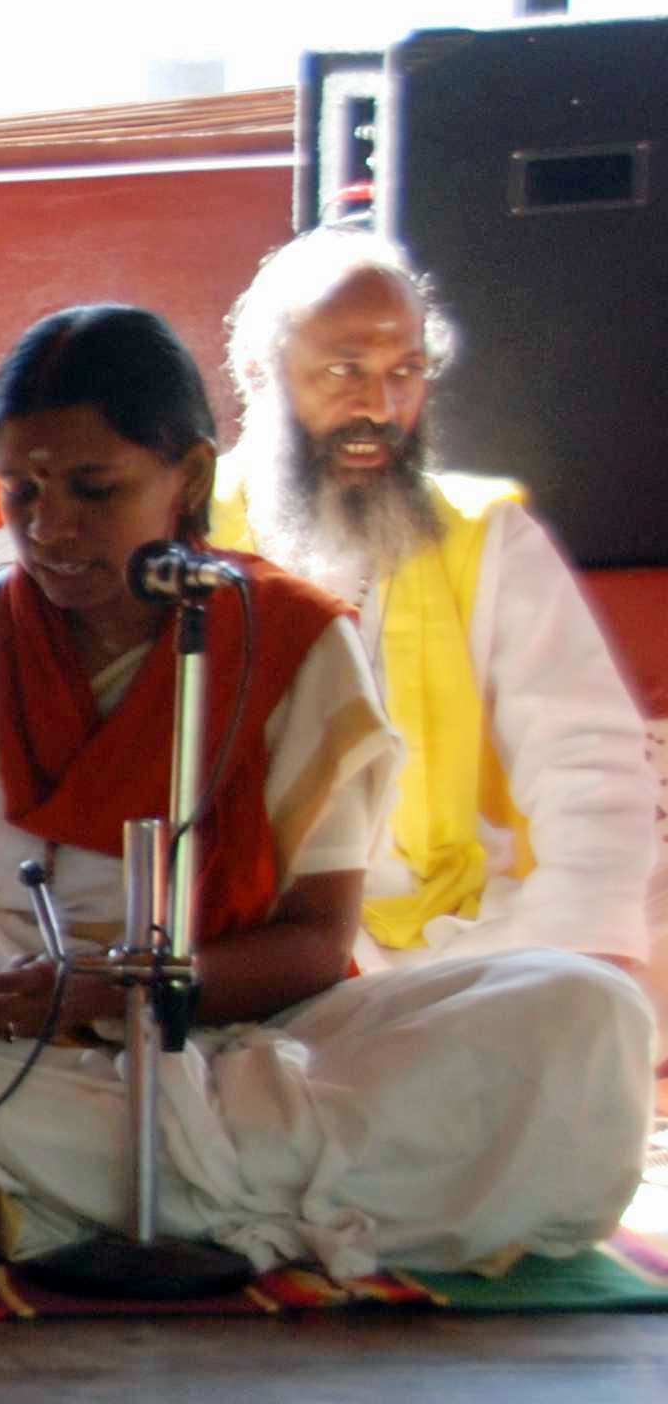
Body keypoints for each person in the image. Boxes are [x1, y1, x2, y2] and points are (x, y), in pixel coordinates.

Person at [0, 306, 649, 1279]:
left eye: (93, 489)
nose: (48, 528)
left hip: (259, 1043)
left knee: (585, 1009)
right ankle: (232, 1207)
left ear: (192, 478)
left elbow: (314, 943)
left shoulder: (293, 645)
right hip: (10, 1055)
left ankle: (42, 1208)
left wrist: (113, 991)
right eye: (20, 490)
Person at [212, 228, 665, 1008]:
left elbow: (584, 759)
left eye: (406, 371)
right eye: (345, 371)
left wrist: (585, 954)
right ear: (258, 372)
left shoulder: (486, 535)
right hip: (256, 939)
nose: (381, 407)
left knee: (632, 919)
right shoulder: (189, 535)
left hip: (457, 937)